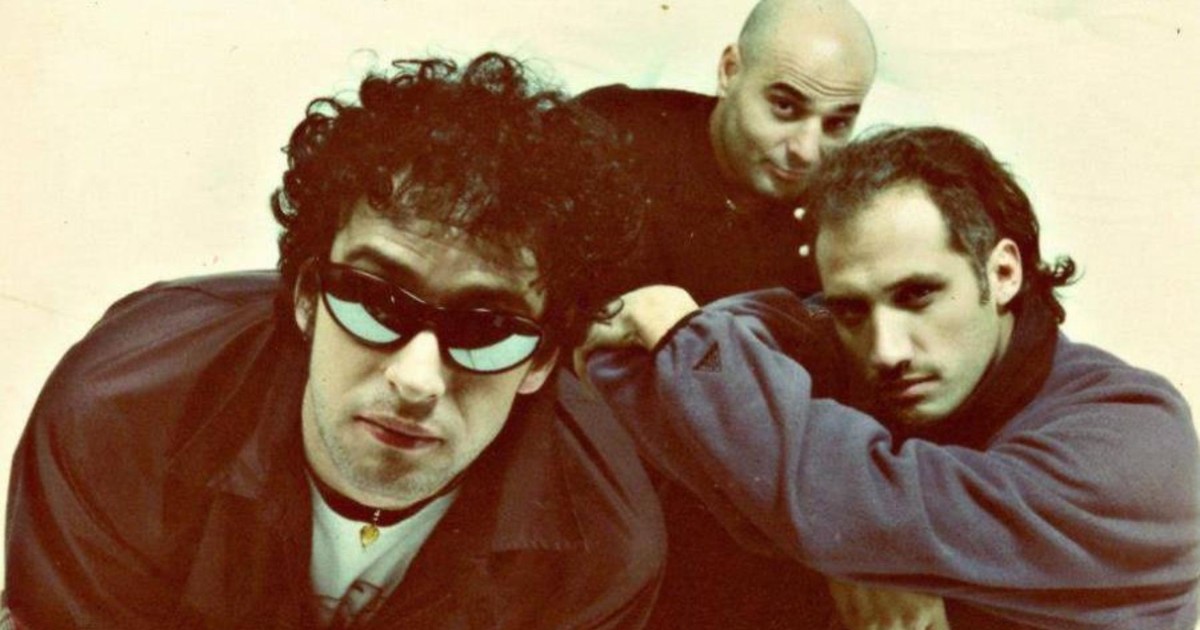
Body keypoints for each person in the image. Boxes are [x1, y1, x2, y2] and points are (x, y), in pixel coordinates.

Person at [5, 52, 665, 629]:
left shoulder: (606, 545)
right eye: (375, 301)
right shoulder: (122, 414)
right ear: (305, 298)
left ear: (542, 360)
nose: (416, 379)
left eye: (485, 328)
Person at [579, 126, 1200, 628]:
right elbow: (645, 364)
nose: (886, 349)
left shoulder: (1136, 441)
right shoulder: (876, 354)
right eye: (851, 308)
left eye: (918, 295)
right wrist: (852, 554)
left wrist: (682, 336)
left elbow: (870, 504)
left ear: (1004, 273)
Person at [577, 1, 878, 626]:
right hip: (582, 475)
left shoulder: (846, 218)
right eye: (785, 107)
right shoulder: (606, 138)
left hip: (734, 515)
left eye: (838, 123)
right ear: (729, 69)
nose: (807, 151)